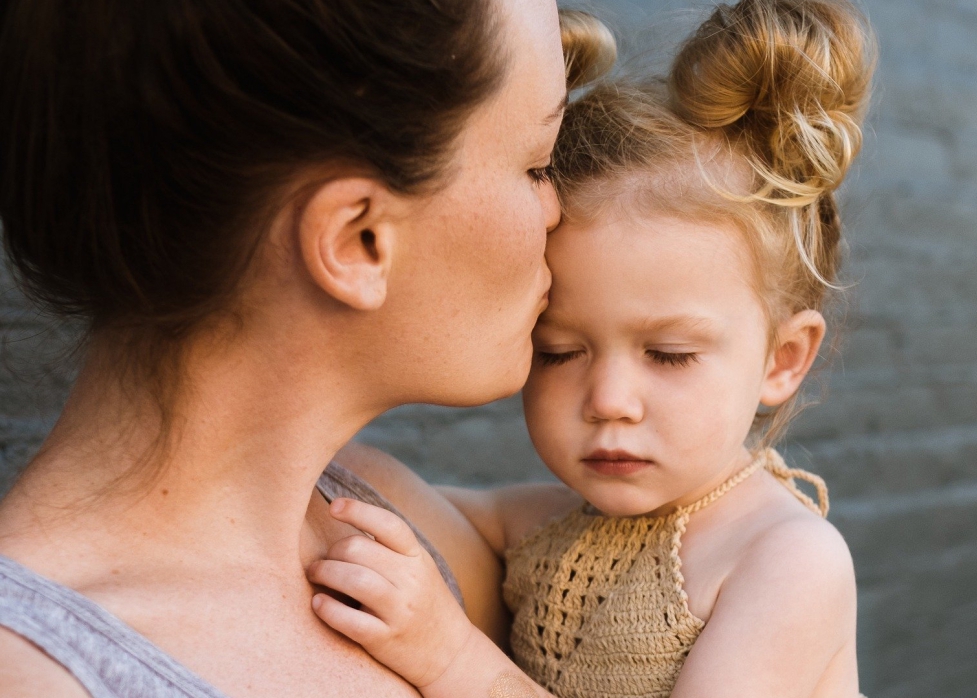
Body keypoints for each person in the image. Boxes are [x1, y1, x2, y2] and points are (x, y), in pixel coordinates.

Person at [0, 0, 610, 695]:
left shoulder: (393, 520)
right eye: (537, 165)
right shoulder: (37, 676)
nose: (558, 210)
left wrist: (757, 560)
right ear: (359, 240)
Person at [305, 1, 875, 696]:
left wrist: (454, 659)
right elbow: (385, 500)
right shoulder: (545, 528)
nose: (608, 399)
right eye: (558, 351)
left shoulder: (783, 559)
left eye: (667, 354)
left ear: (783, 359)